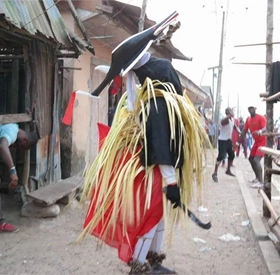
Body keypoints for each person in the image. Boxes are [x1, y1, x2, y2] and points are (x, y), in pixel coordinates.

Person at [77, 12, 209, 274]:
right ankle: (139, 266)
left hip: (148, 166)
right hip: (152, 169)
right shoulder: (159, 106)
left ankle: (153, 261)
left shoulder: (157, 102)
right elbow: (160, 149)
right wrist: (171, 183)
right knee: (150, 216)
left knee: (156, 215)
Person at [237, 105, 267, 188]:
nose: (250, 110)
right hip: (256, 141)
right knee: (251, 159)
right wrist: (237, 143)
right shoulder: (248, 119)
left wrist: (260, 131)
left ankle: (261, 182)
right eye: (249, 108)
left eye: (252, 108)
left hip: (262, 140)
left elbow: (265, 127)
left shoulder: (260, 118)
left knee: (256, 160)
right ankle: (257, 177)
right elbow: (244, 131)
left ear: (255, 109)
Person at [211, 107, 240, 182]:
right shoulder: (224, 119)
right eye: (229, 112)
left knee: (232, 155)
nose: (231, 113)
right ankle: (215, 173)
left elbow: (235, 127)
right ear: (227, 113)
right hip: (222, 140)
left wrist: (239, 132)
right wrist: (229, 116)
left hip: (228, 140)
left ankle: (228, 170)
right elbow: (224, 121)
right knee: (221, 157)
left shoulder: (232, 120)